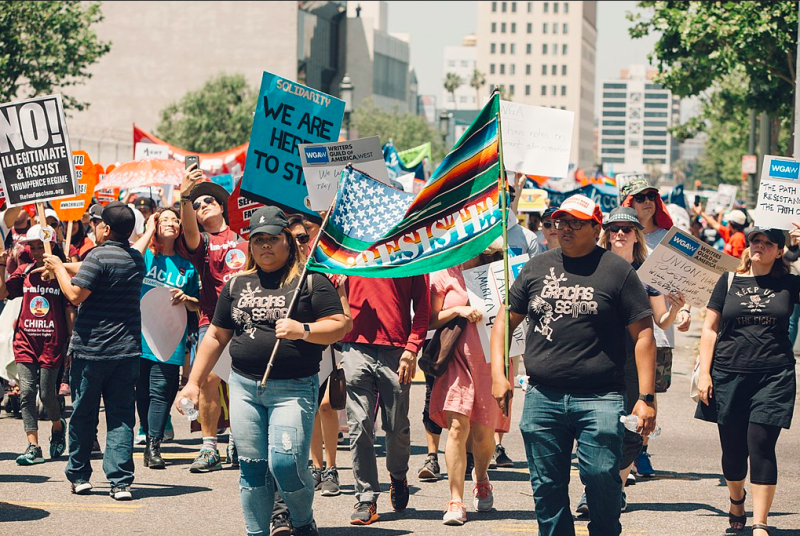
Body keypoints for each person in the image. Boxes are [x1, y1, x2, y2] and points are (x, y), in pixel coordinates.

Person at [490, 195, 657, 536]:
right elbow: (504, 322)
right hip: (542, 396)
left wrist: (646, 397)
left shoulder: (617, 271)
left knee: (601, 477)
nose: (564, 228)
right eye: (559, 221)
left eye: (575, 222)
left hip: (601, 398)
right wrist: (497, 375)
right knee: (547, 488)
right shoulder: (537, 267)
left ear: (597, 228)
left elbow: (644, 335)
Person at [176, 205, 348, 536]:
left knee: (285, 464)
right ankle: (257, 531)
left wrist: (304, 330)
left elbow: (339, 324)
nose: (265, 246)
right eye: (258, 240)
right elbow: (216, 334)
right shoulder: (236, 284)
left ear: (288, 241)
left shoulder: (311, 282)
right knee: (253, 469)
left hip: (294, 387)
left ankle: (301, 522)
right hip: (244, 387)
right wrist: (193, 383)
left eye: (272, 239)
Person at [575, 207, 684, 513]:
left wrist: (675, 309)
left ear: (637, 235)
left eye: (626, 229)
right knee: (595, 430)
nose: (619, 234)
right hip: (595, 358)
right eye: (614, 229)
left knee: (632, 432)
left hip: (634, 362)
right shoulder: (590, 266)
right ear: (605, 235)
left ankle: (615, 487)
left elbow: (661, 320)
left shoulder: (648, 272)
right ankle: (591, 491)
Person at [696, 227, 798, 536]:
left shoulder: (790, 283)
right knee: (734, 451)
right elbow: (710, 329)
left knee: (762, 446)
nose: (760, 246)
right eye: (756, 240)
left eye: (769, 243)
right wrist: (704, 372)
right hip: (728, 374)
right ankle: (736, 499)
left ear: (780, 251)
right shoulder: (728, 280)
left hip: (774, 376)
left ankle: (760, 523)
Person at [44, 201, 144, 500]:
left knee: (83, 415)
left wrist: (59, 268)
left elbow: (74, 294)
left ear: (106, 228)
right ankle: (120, 482)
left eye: (97, 223)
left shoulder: (98, 255)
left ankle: (78, 475)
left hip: (92, 350)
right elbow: (92, 269)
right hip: (126, 351)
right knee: (122, 417)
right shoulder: (136, 258)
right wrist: (61, 267)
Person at [428, 246, 511, 526]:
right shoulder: (443, 272)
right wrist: (459, 310)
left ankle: (482, 476)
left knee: (483, 435)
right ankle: (455, 499)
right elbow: (430, 318)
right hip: (456, 361)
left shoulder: (499, 270)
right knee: (456, 428)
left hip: (490, 361)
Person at [342, 271, 430, 525]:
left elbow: (422, 304)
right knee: (359, 427)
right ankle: (366, 497)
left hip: (397, 349)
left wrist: (412, 347)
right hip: (355, 345)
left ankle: (398, 475)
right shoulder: (350, 245)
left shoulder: (410, 247)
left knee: (396, 427)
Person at [178, 164, 248, 473]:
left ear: (221, 207)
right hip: (212, 321)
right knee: (208, 378)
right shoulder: (202, 243)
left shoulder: (249, 239)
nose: (202, 206)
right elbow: (190, 231)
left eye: (208, 201)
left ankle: (238, 440)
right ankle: (209, 447)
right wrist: (184, 198)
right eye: (197, 205)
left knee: (243, 383)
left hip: (248, 321)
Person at [621, 177, 691, 477]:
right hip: (621, 334)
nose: (647, 201)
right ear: (628, 203)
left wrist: (684, 309)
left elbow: (684, 284)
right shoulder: (617, 237)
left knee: (649, 393)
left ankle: (641, 450)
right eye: (640, 197)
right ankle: (623, 452)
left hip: (659, 332)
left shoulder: (670, 239)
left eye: (651, 196)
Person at [132, 208, 200, 469]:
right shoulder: (145, 256)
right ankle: (148, 432)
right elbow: (130, 258)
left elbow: (196, 305)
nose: (171, 223)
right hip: (139, 336)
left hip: (170, 338)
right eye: (165, 219)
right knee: (143, 393)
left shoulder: (187, 266)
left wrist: (187, 299)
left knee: (161, 393)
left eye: (175, 220)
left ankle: (154, 445)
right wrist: (149, 228)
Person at [0, 226, 74, 465]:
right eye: (32, 246)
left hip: (52, 342)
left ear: (52, 245)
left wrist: (71, 339)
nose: (36, 250)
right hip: (25, 341)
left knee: (47, 394)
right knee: (27, 393)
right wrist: (2, 266)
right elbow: (3, 293)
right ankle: (33, 445)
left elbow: (70, 305)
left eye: (40, 246)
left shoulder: (63, 272)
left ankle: (57, 424)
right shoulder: (25, 271)